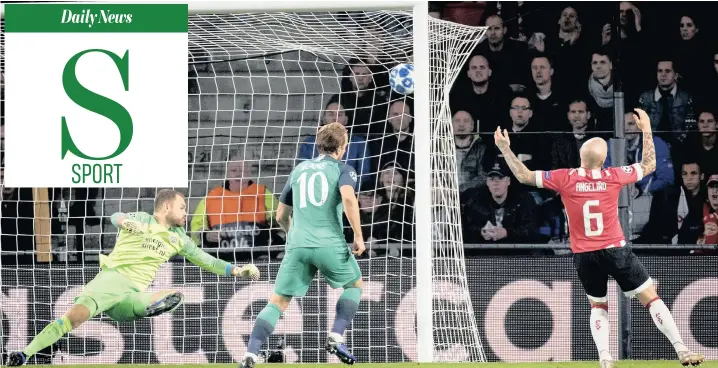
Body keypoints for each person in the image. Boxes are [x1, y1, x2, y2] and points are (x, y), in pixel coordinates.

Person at [493, 109, 704, 368]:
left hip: (584, 255)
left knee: (598, 307)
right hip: (616, 249)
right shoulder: (613, 176)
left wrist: (505, 148)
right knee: (651, 298)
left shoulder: (564, 177)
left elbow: (524, 175)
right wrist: (647, 129)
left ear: (581, 155)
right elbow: (649, 165)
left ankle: (605, 357)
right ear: (604, 160)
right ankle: (681, 350)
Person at [5, 189, 260, 367]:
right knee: (71, 320)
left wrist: (237, 270)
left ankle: (154, 306)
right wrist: (126, 221)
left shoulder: (179, 238)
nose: (186, 212)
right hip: (110, 281)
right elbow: (114, 217)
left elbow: (207, 260)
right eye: (182, 207)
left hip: (132, 295)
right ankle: (23, 354)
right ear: (167, 206)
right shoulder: (142, 218)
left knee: (170, 297)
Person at [239, 122, 365, 368]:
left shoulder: (298, 170)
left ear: (319, 145)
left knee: (277, 302)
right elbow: (349, 198)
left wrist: (293, 235)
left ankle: (251, 354)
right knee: (354, 285)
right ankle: (336, 335)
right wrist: (359, 236)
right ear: (342, 147)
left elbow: (280, 216)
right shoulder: (344, 169)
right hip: (329, 243)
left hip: (297, 245)